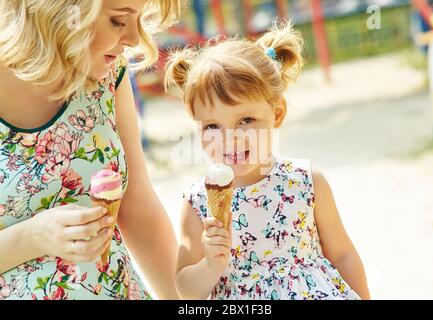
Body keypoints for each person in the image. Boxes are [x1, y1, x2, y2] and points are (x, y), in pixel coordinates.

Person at [165, 22, 371, 300]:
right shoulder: (198, 204)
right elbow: (186, 290)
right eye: (212, 126)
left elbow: (343, 254)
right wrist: (210, 265)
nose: (230, 139)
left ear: (276, 114)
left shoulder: (307, 183)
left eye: (245, 120)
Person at [0, 0, 181, 300]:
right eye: (118, 21)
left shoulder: (108, 73)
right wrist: (32, 237)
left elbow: (137, 206)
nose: (135, 39)